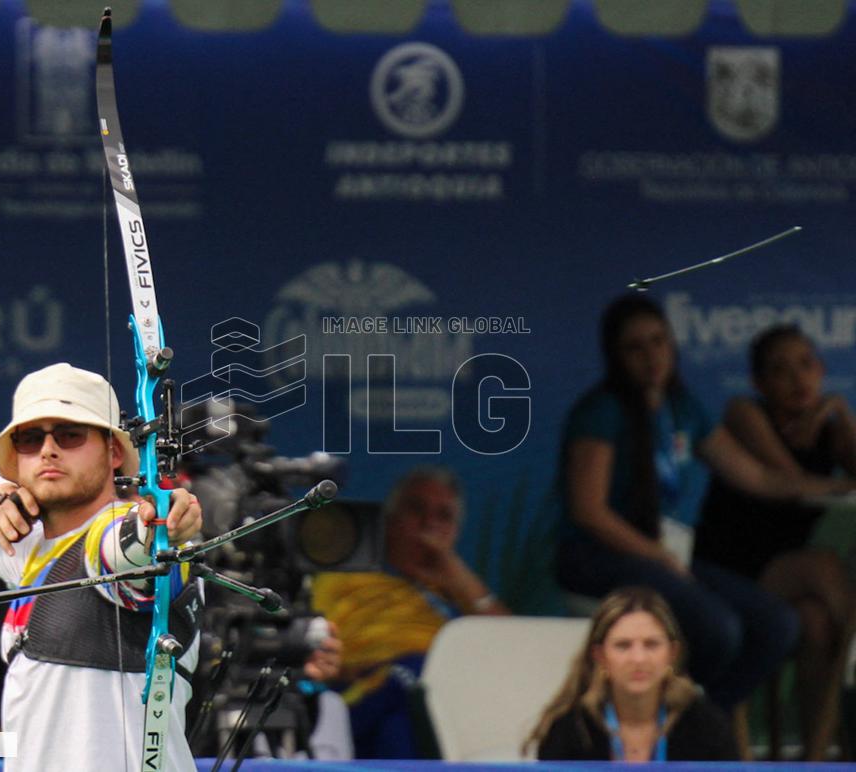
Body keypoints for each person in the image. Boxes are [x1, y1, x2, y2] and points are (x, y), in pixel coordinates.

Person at [554, 295, 855, 714]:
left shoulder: (682, 406)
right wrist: (656, 554)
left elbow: (759, 478)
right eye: (635, 347)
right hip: (598, 556)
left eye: (658, 341)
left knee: (777, 625)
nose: (651, 356)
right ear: (615, 357)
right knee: (719, 628)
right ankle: (671, 723)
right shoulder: (602, 411)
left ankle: (696, 724)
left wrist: (836, 485)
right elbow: (589, 512)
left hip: (662, 554)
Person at [0, 363, 205, 772]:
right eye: (31, 438)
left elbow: (125, 550)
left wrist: (160, 524)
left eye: (70, 434)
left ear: (114, 452)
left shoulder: (114, 532)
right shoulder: (26, 546)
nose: (48, 450)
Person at [694, 324, 856, 759]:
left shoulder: (830, 429)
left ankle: (815, 758)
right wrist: (836, 476)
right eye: (781, 370)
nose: (798, 378)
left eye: (806, 364)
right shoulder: (744, 413)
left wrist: (841, 411)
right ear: (759, 383)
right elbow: (789, 480)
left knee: (816, 622)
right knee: (824, 566)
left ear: (822, 369)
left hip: (783, 572)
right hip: (728, 567)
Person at [312, 466, 509, 758]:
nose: (429, 523)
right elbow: (311, 651)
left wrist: (456, 574)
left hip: (429, 700)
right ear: (391, 520)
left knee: (400, 724)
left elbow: (511, 645)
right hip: (364, 693)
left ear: (455, 531)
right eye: (417, 509)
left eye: (444, 516)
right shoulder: (345, 578)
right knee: (411, 675)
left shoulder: (457, 590)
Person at [527, 586, 738, 761]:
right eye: (623, 645)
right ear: (600, 656)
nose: (638, 658)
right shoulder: (570, 730)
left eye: (651, 644)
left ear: (672, 654)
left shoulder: (708, 728)